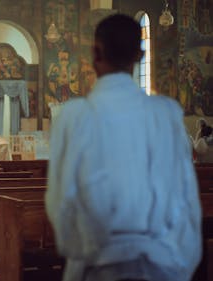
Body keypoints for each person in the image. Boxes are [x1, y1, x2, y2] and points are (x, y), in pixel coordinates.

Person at [45, 14, 201, 281]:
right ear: (140, 55)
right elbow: (185, 198)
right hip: (163, 263)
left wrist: (84, 254)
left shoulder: (74, 117)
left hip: (95, 263)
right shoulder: (165, 114)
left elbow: (62, 201)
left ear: (95, 53)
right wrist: (177, 264)